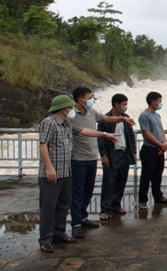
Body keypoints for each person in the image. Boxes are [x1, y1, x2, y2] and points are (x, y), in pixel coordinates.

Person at [38, 95, 119, 253]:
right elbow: (43, 145)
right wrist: (49, 168)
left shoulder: (67, 123)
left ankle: (59, 233)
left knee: (63, 204)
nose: (72, 110)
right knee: (49, 207)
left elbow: (84, 131)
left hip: (66, 171)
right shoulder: (48, 123)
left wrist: (104, 135)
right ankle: (45, 239)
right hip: (52, 173)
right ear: (63, 109)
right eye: (69, 107)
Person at [70, 86, 136, 239]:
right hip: (78, 159)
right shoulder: (71, 115)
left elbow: (106, 119)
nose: (92, 99)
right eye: (90, 97)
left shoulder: (92, 112)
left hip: (92, 158)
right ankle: (76, 224)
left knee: (87, 191)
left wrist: (123, 118)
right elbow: (86, 132)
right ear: (81, 100)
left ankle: (83, 217)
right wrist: (105, 141)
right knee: (78, 192)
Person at [97, 93, 137, 220]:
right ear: (116, 104)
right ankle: (105, 209)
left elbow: (131, 137)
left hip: (124, 153)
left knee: (121, 181)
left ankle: (116, 205)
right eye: (124, 104)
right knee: (109, 182)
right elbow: (101, 138)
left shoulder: (126, 118)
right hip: (112, 153)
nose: (126, 107)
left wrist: (134, 153)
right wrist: (104, 155)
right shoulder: (105, 119)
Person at [137, 91, 167, 210]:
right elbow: (147, 135)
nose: (161, 103)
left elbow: (161, 130)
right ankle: (142, 201)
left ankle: (158, 196)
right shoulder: (144, 115)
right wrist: (160, 145)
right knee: (146, 175)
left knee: (157, 175)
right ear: (153, 102)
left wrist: (163, 143)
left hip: (159, 149)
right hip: (149, 150)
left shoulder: (157, 115)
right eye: (159, 101)